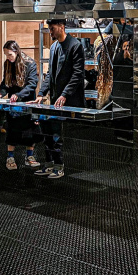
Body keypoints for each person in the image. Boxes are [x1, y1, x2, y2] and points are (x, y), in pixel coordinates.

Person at [31, 18, 86, 179]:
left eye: (52, 28)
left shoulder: (75, 46)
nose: (50, 31)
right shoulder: (54, 47)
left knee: (57, 134)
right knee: (48, 131)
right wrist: (41, 94)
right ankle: (49, 164)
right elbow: (50, 75)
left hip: (69, 100)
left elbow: (78, 74)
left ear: (62, 27)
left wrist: (64, 94)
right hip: (56, 99)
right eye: (49, 28)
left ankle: (59, 166)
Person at [0, 41, 42, 170]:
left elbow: (32, 84)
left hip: (27, 101)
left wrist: (19, 94)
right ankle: (10, 157)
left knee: (30, 130)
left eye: (9, 54)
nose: (8, 57)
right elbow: (5, 83)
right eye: (6, 55)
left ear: (16, 51)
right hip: (13, 103)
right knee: (12, 129)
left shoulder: (30, 63)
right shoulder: (8, 64)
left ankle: (30, 156)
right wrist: (1, 93)